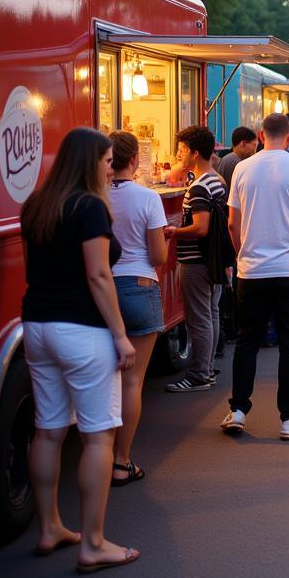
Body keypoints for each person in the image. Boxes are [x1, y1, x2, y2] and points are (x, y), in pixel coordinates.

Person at [20, 127, 139, 573]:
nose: (111, 167)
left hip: (37, 325)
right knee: (98, 435)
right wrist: (121, 334)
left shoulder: (36, 205)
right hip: (83, 331)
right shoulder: (90, 207)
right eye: (107, 160)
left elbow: (35, 270)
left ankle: (49, 527)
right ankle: (93, 542)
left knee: (48, 429)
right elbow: (98, 276)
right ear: (90, 161)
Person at [223, 112, 289, 439]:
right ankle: (288, 418)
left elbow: (231, 222)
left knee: (247, 340)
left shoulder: (242, 167)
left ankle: (238, 409)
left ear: (260, 134)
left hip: (251, 269)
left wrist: (242, 252)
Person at [107, 131, 168, 487]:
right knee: (132, 382)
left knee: (104, 380)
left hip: (100, 291)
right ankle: (121, 461)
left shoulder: (91, 197)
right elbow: (159, 256)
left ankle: (96, 455)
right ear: (134, 161)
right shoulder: (147, 198)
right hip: (140, 287)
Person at [164, 126, 225, 393]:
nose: (178, 154)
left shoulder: (199, 186)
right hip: (213, 259)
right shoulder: (217, 180)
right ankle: (207, 369)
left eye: (181, 149)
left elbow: (201, 227)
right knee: (210, 314)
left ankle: (200, 374)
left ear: (194, 152)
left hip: (197, 259)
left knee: (199, 318)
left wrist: (174, 231)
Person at [217, 126, 257, 193]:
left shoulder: (227, 159)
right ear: (243, 144)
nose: (255, 150)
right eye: (254, 145)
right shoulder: (237, 164)